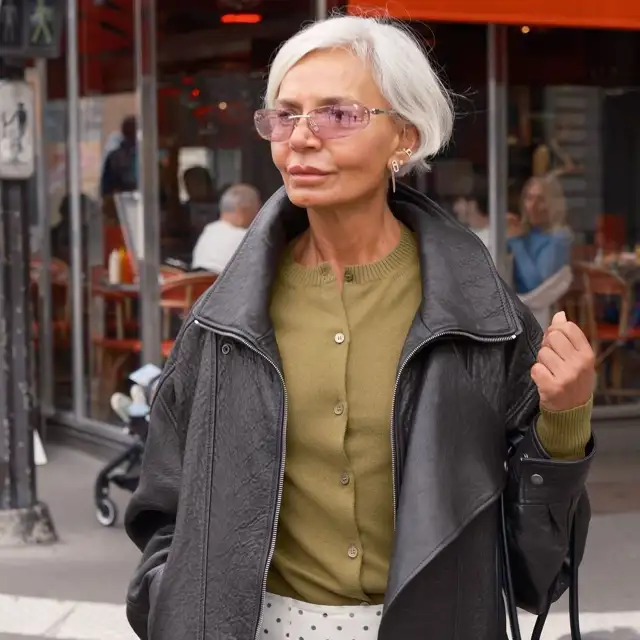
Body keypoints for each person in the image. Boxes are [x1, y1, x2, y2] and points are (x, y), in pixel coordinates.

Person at [125, 16, 596, 640]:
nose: (301, 138)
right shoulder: (224, 320)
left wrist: (565, 422)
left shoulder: (483, 319)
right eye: (284, 115)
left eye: (337, 115)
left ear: (403, 135)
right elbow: (163, 507)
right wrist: (175, 605)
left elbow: (538, 571)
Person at [508, 175, 573, 294]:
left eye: (541, 200)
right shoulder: (526, 232)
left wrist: (516, 241)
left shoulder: (559, 237)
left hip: (537, 308)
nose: (533, 206)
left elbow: (535, 286)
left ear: (553, 204)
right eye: (529, 198)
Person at [191, 183, 261, 273]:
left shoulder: (209, 229)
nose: (258, 214)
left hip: (199, 285)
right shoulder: (246, 238)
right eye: (257, 209)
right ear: (244, 209)